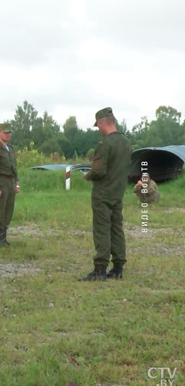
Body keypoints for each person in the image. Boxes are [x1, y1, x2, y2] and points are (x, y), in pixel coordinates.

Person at [80, 107, 131, 281]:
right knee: (117, 228)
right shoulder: (126, 142)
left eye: (98, 126)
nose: (99, 130)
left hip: (103, 193)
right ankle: (118, 267)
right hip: (118, 192)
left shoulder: (105, 144)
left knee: (102, 229)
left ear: (102, 123)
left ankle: (100, 268)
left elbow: (99, 171)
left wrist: (88, 175)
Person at [0, 122, 19, 247]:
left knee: (9, 209)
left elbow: (14, 167)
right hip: (1, 180)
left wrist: (17, 182)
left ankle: (4, 236)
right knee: (0, 209)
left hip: (11, 181)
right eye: (5, 132)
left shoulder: (10, 149)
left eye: (9, 132)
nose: (8, 135)